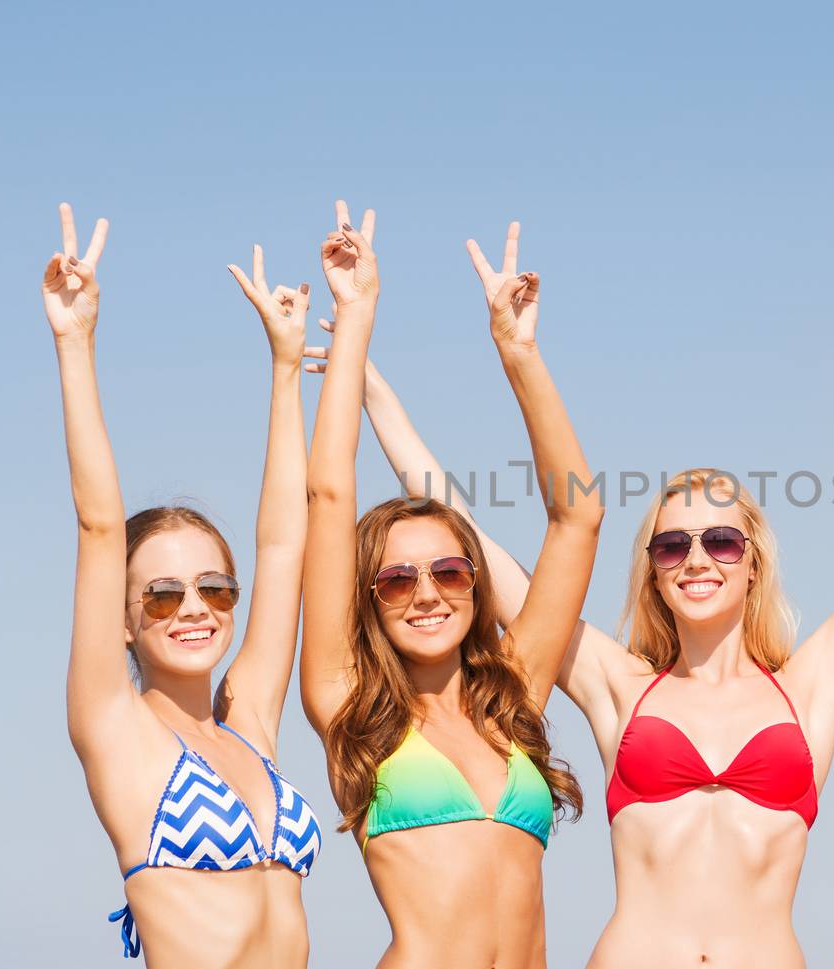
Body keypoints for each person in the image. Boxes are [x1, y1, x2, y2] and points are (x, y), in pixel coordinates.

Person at [359, 192, 834, 967]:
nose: (697, 558)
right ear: (653, 571)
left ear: (754, 560)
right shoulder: (618, 684)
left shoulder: (808, 689)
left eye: (719, 540)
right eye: (672, 545)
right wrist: (367, 384)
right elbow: (465, 536)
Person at [298, 206, 603, 968]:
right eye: (397, 577)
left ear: (474, 586)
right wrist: (357, 313)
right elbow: (329, 497)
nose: (426, 592)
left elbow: (578, 516)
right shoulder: (349, 708)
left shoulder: (514, 693)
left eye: (449, 570)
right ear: (370, 596)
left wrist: (519, 353)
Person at [48, 204, 321, 965]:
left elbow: (283, 539)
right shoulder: (116, 728)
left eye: (215, 589)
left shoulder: (249, 720)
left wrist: (286, 367)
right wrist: (76, 342)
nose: (193, 607)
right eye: (162, 594)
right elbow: (100, 524)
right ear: (125, 620)